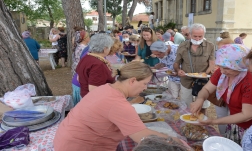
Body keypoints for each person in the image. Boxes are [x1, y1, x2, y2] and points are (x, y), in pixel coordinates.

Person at [54, 62, 183, 150]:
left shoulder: (106, 88)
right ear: (132, 80)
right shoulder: (117, 104)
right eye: (145, 83)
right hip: (80, 146)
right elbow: (143, 137)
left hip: (66, 138)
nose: (145, 88)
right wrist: (174, 140)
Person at [190, 44, 252, 144]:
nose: (222, 71)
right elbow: (206, 89)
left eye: (227, 68)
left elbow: (248, 115)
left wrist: (213, 121)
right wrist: (200, 99)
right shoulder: (223, 71)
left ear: (241, 65)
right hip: (235, 121)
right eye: (220, 66)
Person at [173, 23, 215, 106]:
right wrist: (178, 70)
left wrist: (205, 73)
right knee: (185, 105)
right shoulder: (182, 46)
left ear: (204, 35)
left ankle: (200, 119)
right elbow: (176, 63)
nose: (197, 39)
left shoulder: (210, 46)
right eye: (195, 36)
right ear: (190, 34)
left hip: (203, 81)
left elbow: (212, 64)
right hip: (186, 80)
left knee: (202, 105)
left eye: (200, 36)